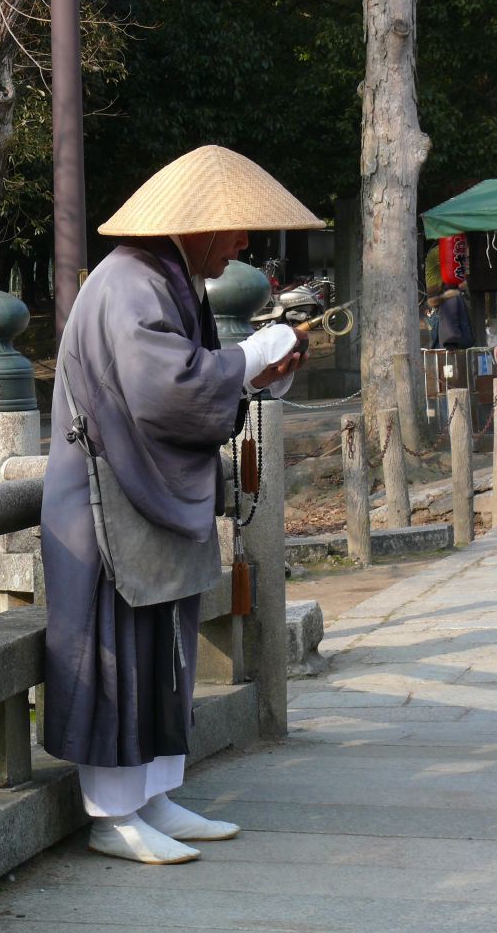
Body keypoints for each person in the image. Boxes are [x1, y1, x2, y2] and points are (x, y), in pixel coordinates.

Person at [42, 145, 320, 865]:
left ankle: (156, 793)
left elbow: (196, 394)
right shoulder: (128, 283)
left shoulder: (169, 280)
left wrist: (263, 373)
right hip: (105, 507)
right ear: (195, 228)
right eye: (234, 231)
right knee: (116, 654)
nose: (244, 245)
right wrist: (255, 354)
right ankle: (111, 813)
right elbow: (167, 391)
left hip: (143, 492)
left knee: (164, 650)